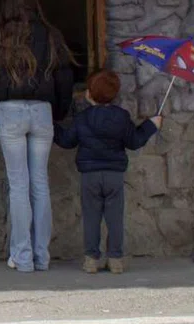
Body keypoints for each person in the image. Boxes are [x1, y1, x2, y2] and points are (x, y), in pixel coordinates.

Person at [0, 0, 77, 273]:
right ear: (35, 4)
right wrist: (57, 111)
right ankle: (42, 257)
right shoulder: (52, 35)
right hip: (42, 111)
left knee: (18, 186)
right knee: (40, 184)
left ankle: (22, 257)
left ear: (6, 6)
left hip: (10, 111)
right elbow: (65, 79)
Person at [54, 70, 162, 274]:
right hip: (114, 174)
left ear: (89, 94)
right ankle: (115, 259)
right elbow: (134, 141)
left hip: (89, 175)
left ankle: (91, 260)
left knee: (91, 217)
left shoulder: (83, 118)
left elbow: (67, 141)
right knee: (115, 218)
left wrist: (51, 126)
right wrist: (150, 125)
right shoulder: (121, 117)